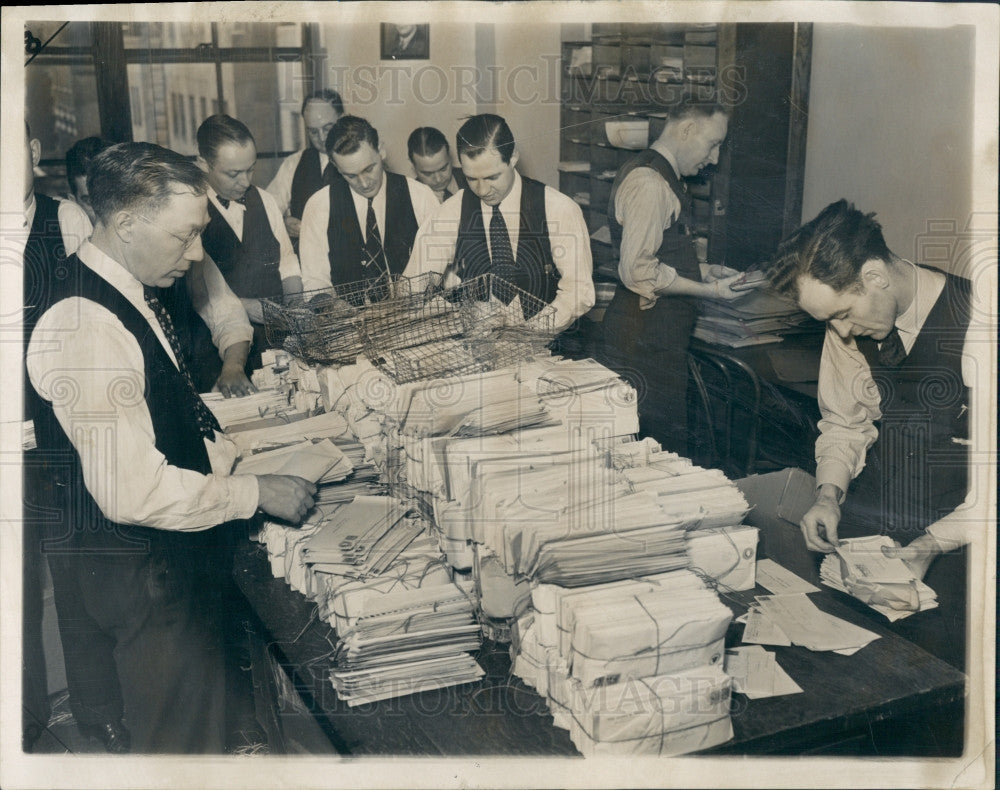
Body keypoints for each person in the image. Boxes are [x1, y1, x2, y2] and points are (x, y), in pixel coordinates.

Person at [25, 141, 317, 753]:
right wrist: (253, 491)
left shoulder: (126, 284)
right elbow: (133, 489)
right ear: (126, 223)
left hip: (161, 564)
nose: (195, 255)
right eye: (183, 237)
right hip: (145, 576)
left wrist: (226, 456)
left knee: (199, 730)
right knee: (181, 745)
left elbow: (161, 414)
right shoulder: (86, 324)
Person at [762, 199, 977, 669]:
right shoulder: (847, 320)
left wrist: (931, 544)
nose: (839, 331)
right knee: (824, 645)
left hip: (964, 529)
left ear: (876, 275)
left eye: (842, 314)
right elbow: (845, 420)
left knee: (931, 674)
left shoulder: (981, 324)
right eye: (828, 321)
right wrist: (828, 495)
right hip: (881, 511)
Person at [599, 95, 746, 454]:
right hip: (642, 345)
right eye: (712, 145)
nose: (713, 158)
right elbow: (638, 270)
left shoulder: (664, 177)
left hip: (656, 344)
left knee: (658, 453)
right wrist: (708, 292)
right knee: (648, 455)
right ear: (688, 128)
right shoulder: (651, 184)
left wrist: (706, 272)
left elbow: (659, 254)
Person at [402, 113, 595, 333]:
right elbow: (412, 287)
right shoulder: (451, 212)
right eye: (472, 179)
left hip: (549, 345)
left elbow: (579, 291)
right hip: (476, 350)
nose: (482, 191)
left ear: (513, 157)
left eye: (492, 177)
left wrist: (529, 333)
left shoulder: (558, 209)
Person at [196, 114, 302, 370]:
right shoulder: (190, 210)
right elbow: (192, 294)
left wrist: (296, 304)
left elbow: (286, 261)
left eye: (250, 169)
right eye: (233, 174)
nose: (245, 182)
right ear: (203, 164)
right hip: (217, 353)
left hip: (277, 343)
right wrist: (243, 306)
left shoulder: (265, 201)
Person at [299, 115, 439, 297]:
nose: (364, 183)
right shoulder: (318, 206)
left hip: (415, 316)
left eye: (368, 169)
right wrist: (331, 307)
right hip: (349, 322)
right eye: (351, 176)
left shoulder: (420, 195)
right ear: (334, 166)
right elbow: (315, 281)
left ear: (381, 150)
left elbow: (443, 266)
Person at [265, 89, 345, 247]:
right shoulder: (294, 163)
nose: (322, 138)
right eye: (313, 132)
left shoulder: (359, 162)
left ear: (341, 119)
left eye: (328, 128)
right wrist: (283, 221)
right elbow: (267, 209)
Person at [407, 126, 469, 203]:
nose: (438, 179)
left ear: (450, 157)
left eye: (443, 169)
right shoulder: (409, 200)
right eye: (428, 174)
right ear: (414, 167)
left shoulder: (473, 179)